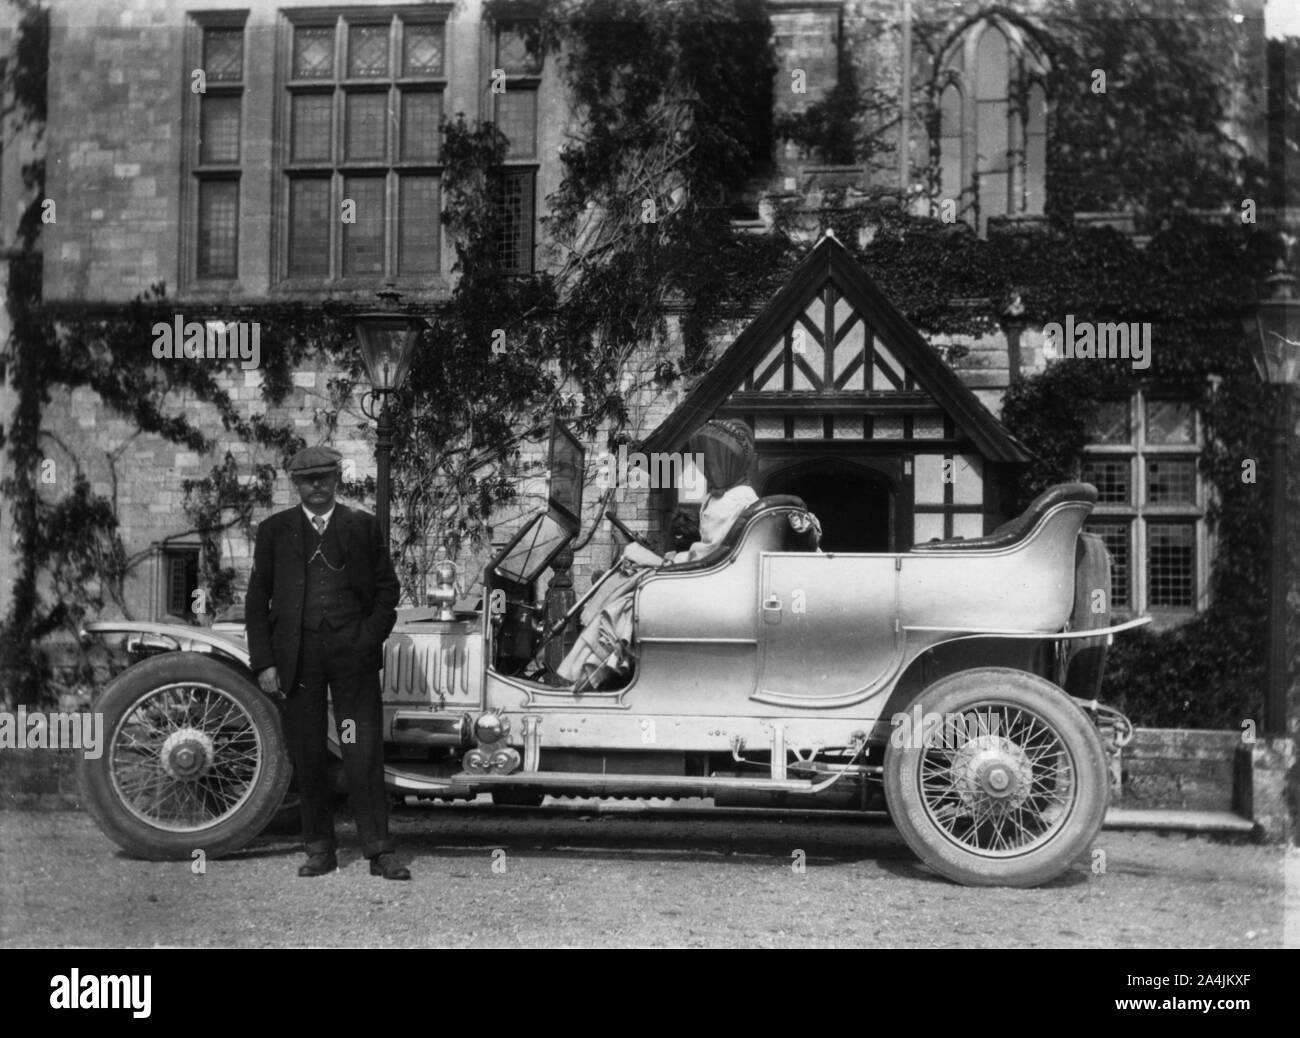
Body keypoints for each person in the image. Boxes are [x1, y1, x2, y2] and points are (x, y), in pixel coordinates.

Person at [244, 446, 409, 880]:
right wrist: (264, 662)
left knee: (363, 751)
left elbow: (387, 591)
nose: (316, 486)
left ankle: (378, 849)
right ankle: (319, 848)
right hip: (298, 660)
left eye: (324, 477)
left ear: (337, 479)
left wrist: (367, 638)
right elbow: (257, 599)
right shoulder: (275, 531)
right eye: (307, 479)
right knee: (309, 753)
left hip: (351, 657)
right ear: (295, 483)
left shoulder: (362, 526)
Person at [557, 419, 759, 691]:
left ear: (730, 463)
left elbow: (717, 557)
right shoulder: (718, 496)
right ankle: (587, 674)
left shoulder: (741, 499)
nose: (709, 468)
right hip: (704, 573)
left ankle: (593, 676)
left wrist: (662, 562)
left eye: (715, 460)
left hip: (712, 582)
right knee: (623, 580)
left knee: (625, 601)